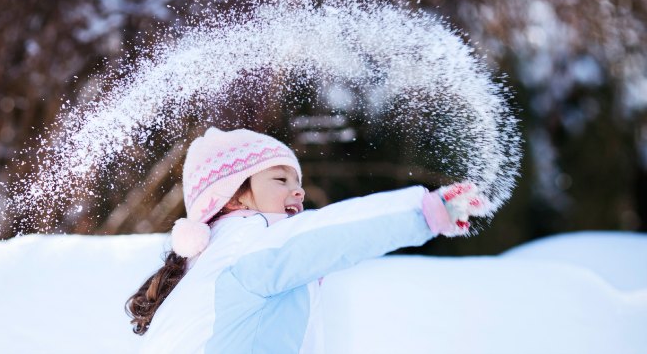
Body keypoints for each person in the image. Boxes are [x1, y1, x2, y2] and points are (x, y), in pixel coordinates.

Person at [126, 127, 487, 353]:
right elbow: (331, 235)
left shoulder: (205, 264)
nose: (298, 192)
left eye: (298, 183)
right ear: (233, 197)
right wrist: (423, 213)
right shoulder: (250, 243)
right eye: (280, 180)